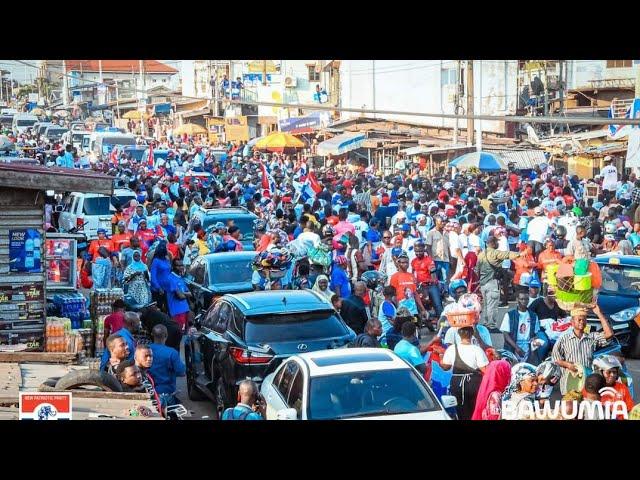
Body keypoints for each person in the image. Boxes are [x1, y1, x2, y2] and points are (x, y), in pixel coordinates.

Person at [552, 305, 614, 395]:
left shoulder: (591, 338)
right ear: (572, 322)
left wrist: (599, 314)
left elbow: (609, 334)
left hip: (587, 383)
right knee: (570, 407)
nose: (582, 322)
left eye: (584, 319)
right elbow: (555, 359)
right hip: (569, 383)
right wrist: (568, 364)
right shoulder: (564, 339)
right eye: (579, 320)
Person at [440, 325, 489, 420]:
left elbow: (445, 367)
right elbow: (485, 370)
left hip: (457, 384)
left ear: (459, 334)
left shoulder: (452, 349)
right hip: (474, 384)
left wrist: (441, 357)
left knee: (461, 410)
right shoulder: (477, 350)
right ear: (472, 334)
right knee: (474, 410)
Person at [149, 324, 186, 405]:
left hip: (147, 390)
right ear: (166, 335)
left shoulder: (144, 350)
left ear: (152, 334)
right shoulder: (172, 353)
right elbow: (181, 372)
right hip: (165, 392)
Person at [500, 291, 541, 363]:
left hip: (528, 347)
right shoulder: (509, 315)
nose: (524, 301)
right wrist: (516, 347)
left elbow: (535, 334)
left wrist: (534, 342)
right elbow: (505, 334)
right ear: (517, 300)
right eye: (522, 299)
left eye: (526, 299)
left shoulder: (533, 316)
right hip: (513, 346)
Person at [389, 252, 428, 322]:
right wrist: (396, 309)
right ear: (398, 263)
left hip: (413, 308)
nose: (405, 264)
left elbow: (415, 294)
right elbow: (392, 295)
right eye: (403, 262)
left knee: (415, 327)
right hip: (401, 309)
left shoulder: (411, 276)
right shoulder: (394, 277)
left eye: (407, 262)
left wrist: (423, 309)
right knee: (405, 329)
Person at [166, 258, 192, 332]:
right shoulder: (171, 278)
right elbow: (181, 297)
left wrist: (182, 293)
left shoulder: (180, 278)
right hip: (177, 312)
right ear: (173, 266)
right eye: (178, 266)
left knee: (185, 334)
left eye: (182, 265)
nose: (181, 267)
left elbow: (190, 294)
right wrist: (184, 294)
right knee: (180, 334)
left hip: (185, 310)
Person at [424, 216, 450, 282]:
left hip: (445, 260)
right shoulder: (431, 233)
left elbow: (448, 247)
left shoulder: (446, 233)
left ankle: (445, 291)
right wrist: (431, 259)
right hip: (436, 260)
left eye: (444, 221)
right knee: (435, 279)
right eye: (441, 221)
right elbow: (428, 246)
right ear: (436, 222)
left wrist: (450, 258)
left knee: (446, 279)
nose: (443, 223)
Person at [149, 241, 172, 312]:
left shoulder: (167, 260)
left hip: (167, 289)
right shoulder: (156, 261)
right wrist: (159, 288)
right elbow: (153, 277)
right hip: (159, 290)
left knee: (168, 309)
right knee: (160, 309)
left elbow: (169, 273)